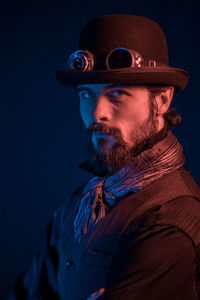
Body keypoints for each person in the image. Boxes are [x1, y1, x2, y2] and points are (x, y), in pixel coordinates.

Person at [9, 14, 200, 300]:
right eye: (86, 94)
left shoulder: (170, 220)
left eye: (118, 94)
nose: (97, 112)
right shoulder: (78, 205)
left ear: (161, 100)